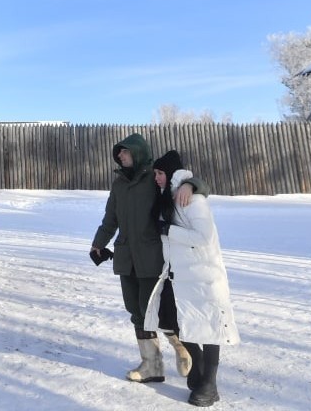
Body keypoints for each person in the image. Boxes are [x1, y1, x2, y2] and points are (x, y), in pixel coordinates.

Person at [91, 135, 206, 384]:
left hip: (151, 256)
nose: (120, 157)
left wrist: (191, 185)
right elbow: (111, 218)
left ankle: (181, 347)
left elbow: (184, 179)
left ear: (138, 152)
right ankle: (151, 365)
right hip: (125, 255)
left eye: (124, 152)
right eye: (119, 154)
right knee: (134, 310)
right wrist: (99, 243)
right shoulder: (119, 183)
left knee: (154, 309)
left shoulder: (154, 178)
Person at [144, 151, 239, 407]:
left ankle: (210, 383)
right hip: (178, 275)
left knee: (209, 328)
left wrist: (167, 229)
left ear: (172, 173)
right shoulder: (169, 199)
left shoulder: (192, 199)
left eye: (160, 173)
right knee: (174, 321)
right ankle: (197, 367)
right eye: (155, 174)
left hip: (203, 275)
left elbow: (203, 237)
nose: (157, 178)